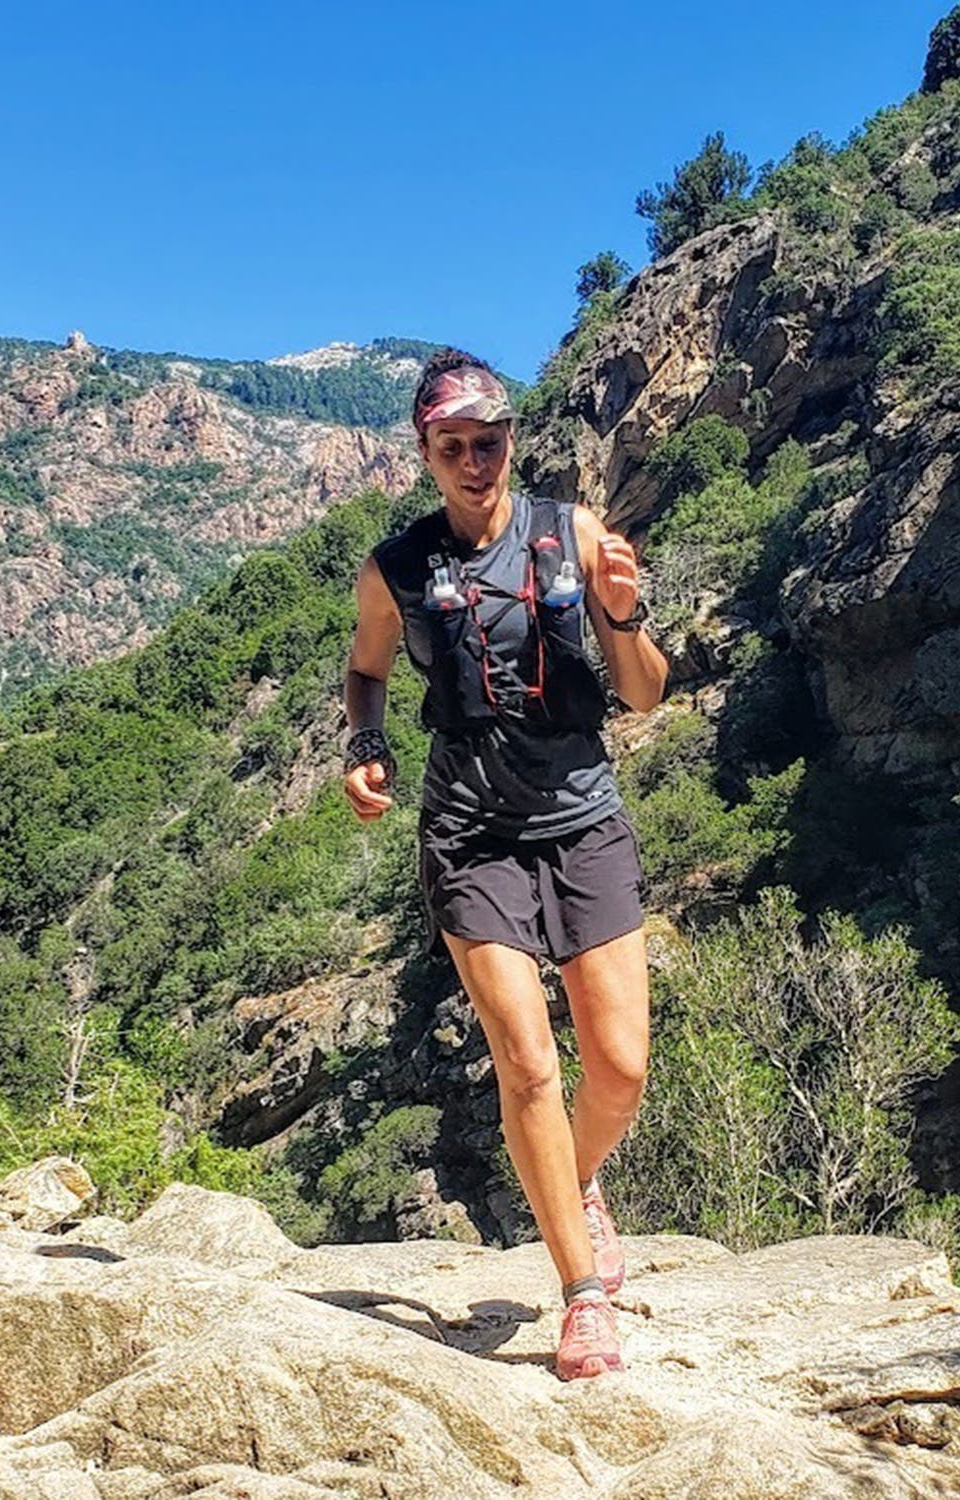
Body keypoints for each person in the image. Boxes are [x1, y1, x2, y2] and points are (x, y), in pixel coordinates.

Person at [342, 348, 668, 1381]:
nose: (474, 461)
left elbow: (648, 692)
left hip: (583, 819)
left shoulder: (570, 533)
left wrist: (621, 612)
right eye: (453, 447)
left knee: (618, 1066)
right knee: (527, 1060)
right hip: (471, 833)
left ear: (511, 442)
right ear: (426, 454)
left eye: (489, 442)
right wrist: (366, 748)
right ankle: (579, 1298)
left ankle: (580, 1185)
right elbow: (366, 665)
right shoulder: (397, 567)